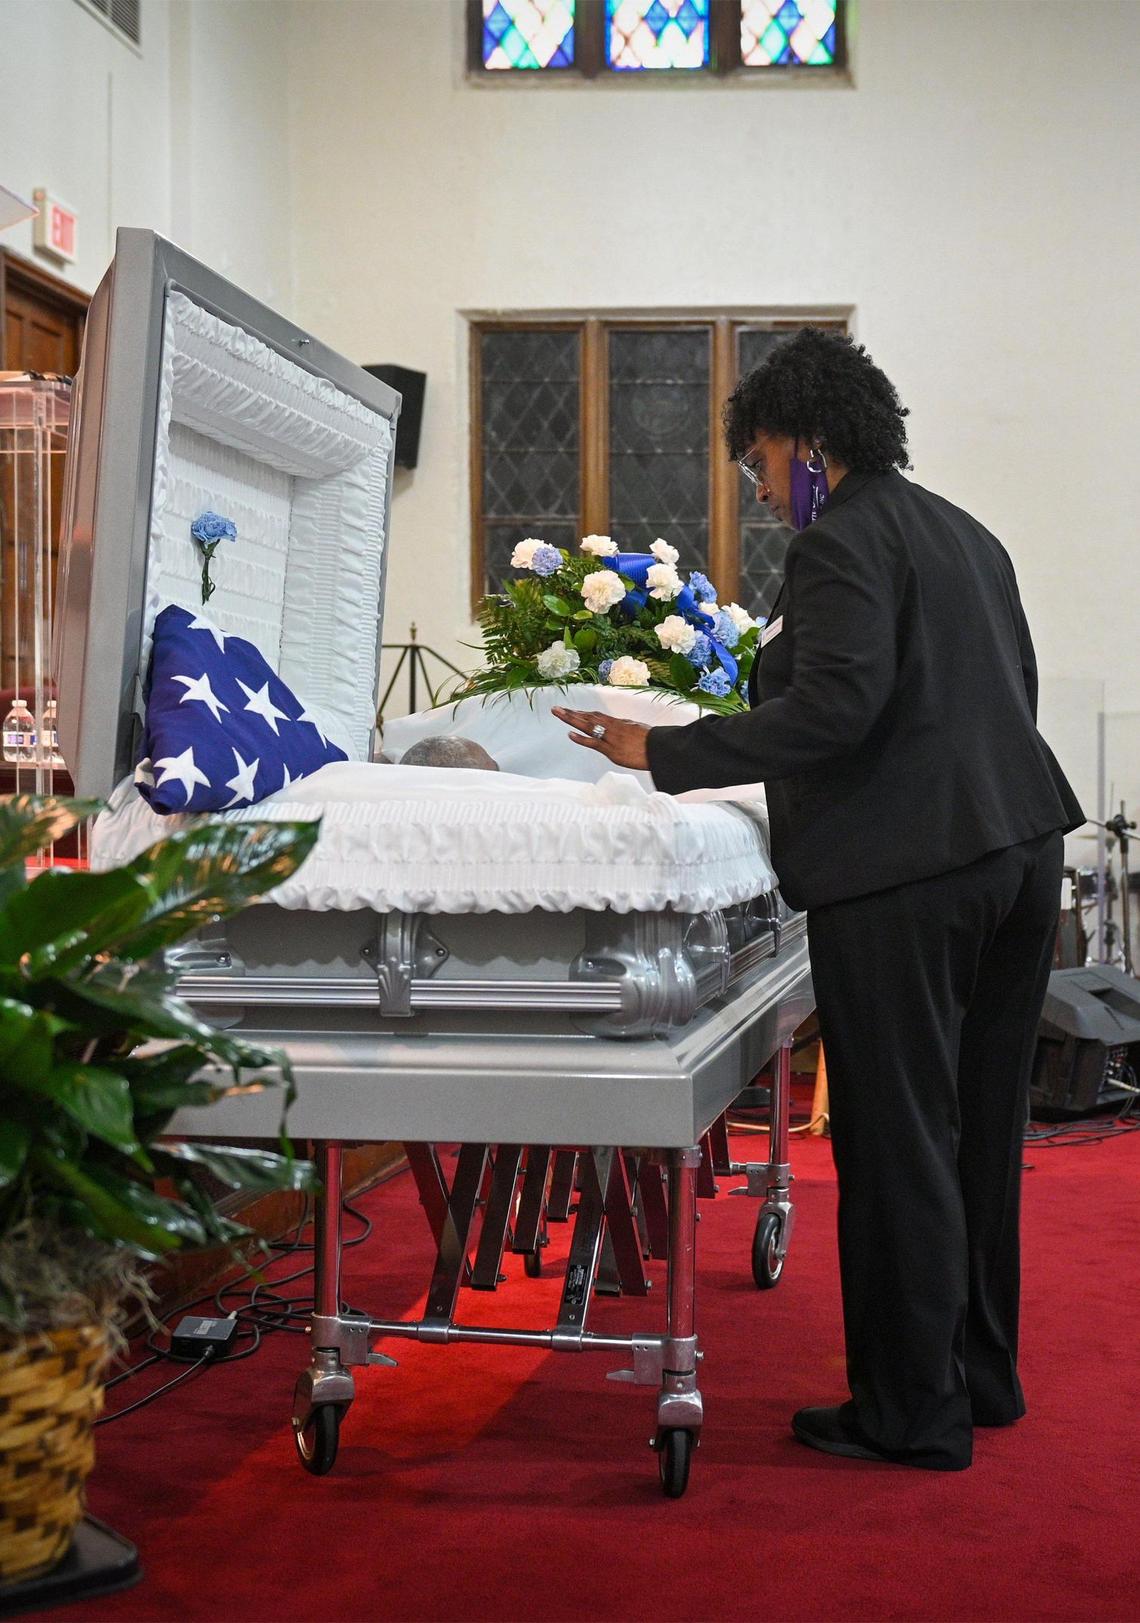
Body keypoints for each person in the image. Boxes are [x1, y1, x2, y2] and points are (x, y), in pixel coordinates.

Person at [553, 328, 1083, 1471]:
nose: (756, 488)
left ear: (806, 442)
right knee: (980, 1134)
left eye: (757, 463)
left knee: (898, 1140)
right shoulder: (964, 532)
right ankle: (980, 1377)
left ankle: (910, 1412)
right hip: (1020, 851)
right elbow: (1004, 692)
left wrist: (666, 749)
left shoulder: (842, 540)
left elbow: (835, 712)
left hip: (909, 875)